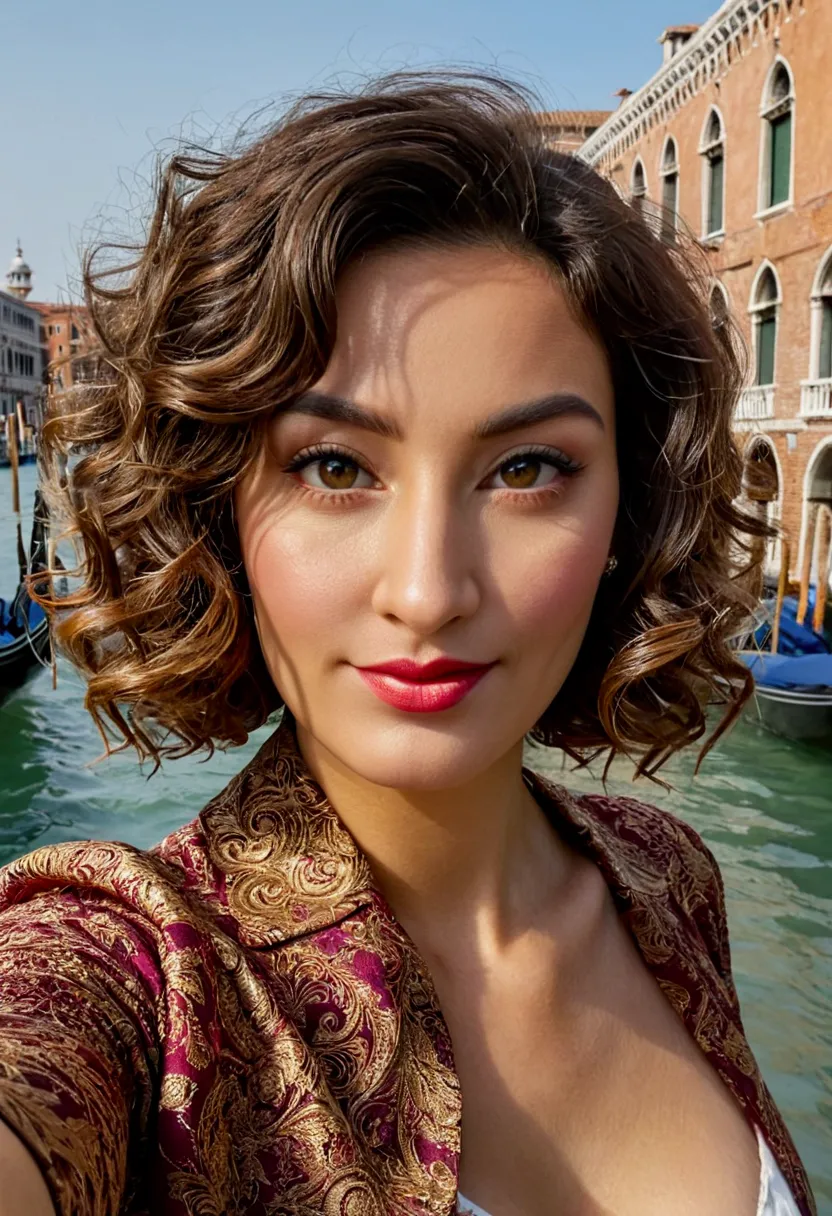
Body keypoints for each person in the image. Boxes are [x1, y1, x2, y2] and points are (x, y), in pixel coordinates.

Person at [0, 73, 816, 1216]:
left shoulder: (669, 877)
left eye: (526, 469)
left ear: (628, 514)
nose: (428, 591)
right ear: (219, 512)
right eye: (335, 468)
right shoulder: (136, 979)